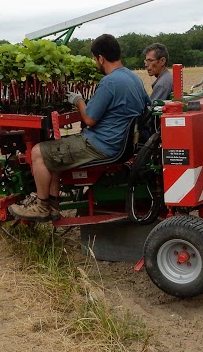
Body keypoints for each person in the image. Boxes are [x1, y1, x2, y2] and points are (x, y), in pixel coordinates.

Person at [8, 34, 149, 222]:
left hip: (101, 145)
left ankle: (41, 205)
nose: (95, 62)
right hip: (120, 143)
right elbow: (145, 106)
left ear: (101, 58)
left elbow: (89, 119)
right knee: (53, 152)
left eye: (94, 59)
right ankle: (53, 206)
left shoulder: (110, 82)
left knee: (37, 152)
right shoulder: (133, 77)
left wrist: (78, 100)